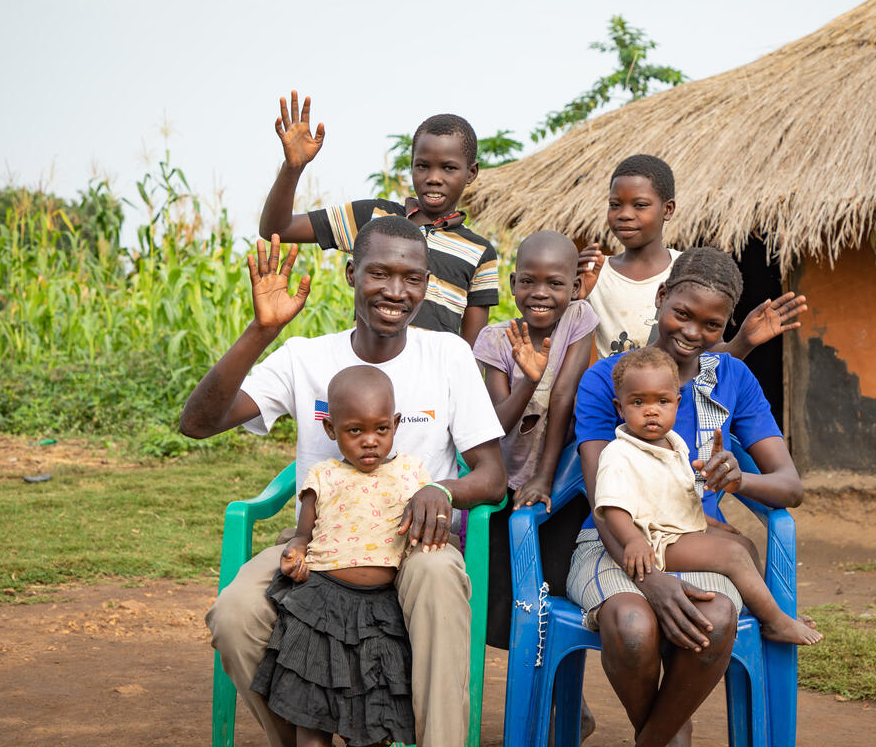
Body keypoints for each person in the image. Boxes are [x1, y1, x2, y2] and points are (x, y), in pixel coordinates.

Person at [180, 216, 506, 747]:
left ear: (427, 284)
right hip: (321, 546)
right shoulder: (305, 357)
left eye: (412, 278)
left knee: (438, 580)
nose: (396, 291)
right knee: (234, 617)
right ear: (352, 273)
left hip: (413, 540)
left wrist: (440, 490)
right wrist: (262, 331)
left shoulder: (447, 357)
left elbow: (493, 477)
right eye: (379, 273)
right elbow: (197, 424)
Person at [566, 247, 808, 747]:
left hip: (693, 538)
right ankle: (670, 734)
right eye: (682, 314)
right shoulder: (607, 379)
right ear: (660, 297)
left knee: (715, 617)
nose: (693, 333)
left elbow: (790, 486)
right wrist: (651, 580)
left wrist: (739, 478)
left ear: (726, 326)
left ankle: (654, 738)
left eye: (712, 325)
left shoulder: (732, 378)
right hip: (617, 542)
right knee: (632, 625)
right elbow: (601, 499)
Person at [251, 365, 429, 747]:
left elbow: (428, 521)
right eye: (355, 431)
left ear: (395, 424)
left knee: (375, 717)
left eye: (381, 429)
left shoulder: (412, 473)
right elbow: (303, 535)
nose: (370, 441)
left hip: (382, 611)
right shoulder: (324, 476)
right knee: (312, 717)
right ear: (331, 429)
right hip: (321, 606)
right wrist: (295, 555)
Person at [595, 346, 822, 646]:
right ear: (620, 408)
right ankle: (776, 622)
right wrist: (633, 541)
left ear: (677, 403)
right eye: (638, 402)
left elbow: (675, 499)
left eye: (662, 401)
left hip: (678, 532)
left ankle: (768, 610)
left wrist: (709, 525)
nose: (651, 411)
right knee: (733, 555)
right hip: (653, 543)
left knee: (744, 544)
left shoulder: (675, 446)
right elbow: (613, 507)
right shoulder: (618, 453)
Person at [257, 90, 498, 345]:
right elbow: (278, 228)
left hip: (432, 382)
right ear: (412, 165)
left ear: (471, 172)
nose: (433, 177)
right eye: (423, 166)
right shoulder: (373, 217)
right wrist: (293, 168)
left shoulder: (480, 252)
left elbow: (470, 350)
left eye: (448, 168)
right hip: (367, 370)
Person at [471, 231, 598, 649]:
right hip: (506, 478)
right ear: (512, 284)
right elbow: (497, 424)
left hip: (559, 477)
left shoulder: (580, 320)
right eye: (528, 281)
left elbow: (564, 395)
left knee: (554, 587)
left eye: (555, 283)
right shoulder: (494, 340)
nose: (539, 293)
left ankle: (564, 695)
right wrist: (527, 380)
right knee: (503, 602)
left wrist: (544, 478)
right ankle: (522, 687)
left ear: (575, 288)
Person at [576, 154, 807, 359]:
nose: (625, 214)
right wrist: (573, 295)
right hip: (610, 400)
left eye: (640, 205)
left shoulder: (689, 270)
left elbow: (706, 355)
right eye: (615, 205)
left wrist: (742, 342)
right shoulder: (595, 274)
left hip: (676, 401)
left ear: (668, 209)